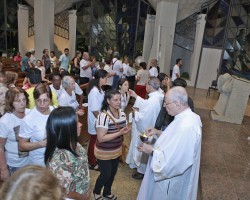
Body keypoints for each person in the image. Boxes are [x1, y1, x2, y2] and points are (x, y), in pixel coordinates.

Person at [137, 86, 202, 200]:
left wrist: (151, 150)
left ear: (177, 103)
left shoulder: (187, 126)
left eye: (166, 103)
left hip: (170, 182)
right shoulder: (184, 117)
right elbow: (174, 139)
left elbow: (177, 161)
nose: (164, 106)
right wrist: (157, 132)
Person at [45, 107, 91, 200]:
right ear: (66, 129)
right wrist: (83, 197)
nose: (80, 124)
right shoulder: (60, 159)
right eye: (77, 123)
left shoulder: (73, 143)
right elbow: (62, 191)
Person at [93, 90, 131, 200]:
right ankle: (96, 192)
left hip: (116, 150)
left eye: (120, 99)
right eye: (115, 100)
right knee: (105, 174)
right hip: (104, 152)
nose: (119, 102)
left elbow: (121, 130)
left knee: (112, 173)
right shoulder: (103, 116)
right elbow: (101, 138)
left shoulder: (122, 113)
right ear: (108, 101)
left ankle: (107, 192)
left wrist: (126, 130)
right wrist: (119, 132)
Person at [18, 83, 54, 166]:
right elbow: (21, 146)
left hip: (55, 160)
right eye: (38, 100)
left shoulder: (54, 111)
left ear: (50, 99)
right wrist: (42, 143)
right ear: (34, 99)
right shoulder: (29, 119)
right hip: (39, 163)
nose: (42, 104)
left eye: (45, 100)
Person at [0, 88, 30, 181]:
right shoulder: (5, 121)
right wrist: (4, 169)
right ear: (11, 103)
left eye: (24, 99)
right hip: (15, 165)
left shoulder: (31, 114)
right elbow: (0, 147)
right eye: (18, 101)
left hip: (32, 161)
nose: (22, 103)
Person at [87, 69, 108, 170]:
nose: (107, 79)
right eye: (105, 78)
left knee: (96, 140)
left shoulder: (99, 88)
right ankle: (91, 162)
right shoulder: (94, 91)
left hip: (99, 117)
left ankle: (94, 158)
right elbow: (95, 110)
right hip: (95, 118)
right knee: (94, 140)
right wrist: (102, 121)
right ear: (100, 78)